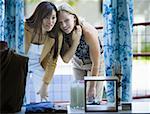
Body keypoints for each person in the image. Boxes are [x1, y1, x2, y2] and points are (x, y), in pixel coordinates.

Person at [58, 3, 104, 101]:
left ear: (74, 18)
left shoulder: (88, 32)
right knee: (79, 98)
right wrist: (76, 40)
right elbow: (66, 59)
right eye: (60, 22)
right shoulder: (61, 33)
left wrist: (92, 87)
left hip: (95, 64)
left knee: (92, 99)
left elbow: (96, 63)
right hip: (78, 62)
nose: (64, 25)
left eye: (66, 20)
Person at [24, 1, 63, 103]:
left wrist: (45, 85)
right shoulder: (24, 28)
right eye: (46, 17)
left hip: (39, 65)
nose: (50, 22)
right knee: (22, 96)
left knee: (44, 98)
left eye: (53, 18)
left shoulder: (56, 35)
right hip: (22, 64)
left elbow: (53, 61)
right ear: (39, 16)